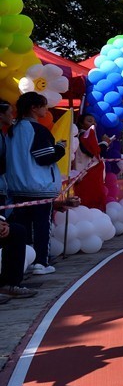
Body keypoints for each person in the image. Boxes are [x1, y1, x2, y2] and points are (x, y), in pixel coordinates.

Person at [4, 92, 66, 275]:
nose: (46, 110)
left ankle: (22, 262)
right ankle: (40, 262)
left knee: (21, 228)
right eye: (43, 106)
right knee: (41, 226)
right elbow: (45, 157)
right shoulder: (37, 129)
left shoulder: (12, 130)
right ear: (34, 107)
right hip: (39, 186)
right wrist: (60, 148)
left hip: (17, 186)